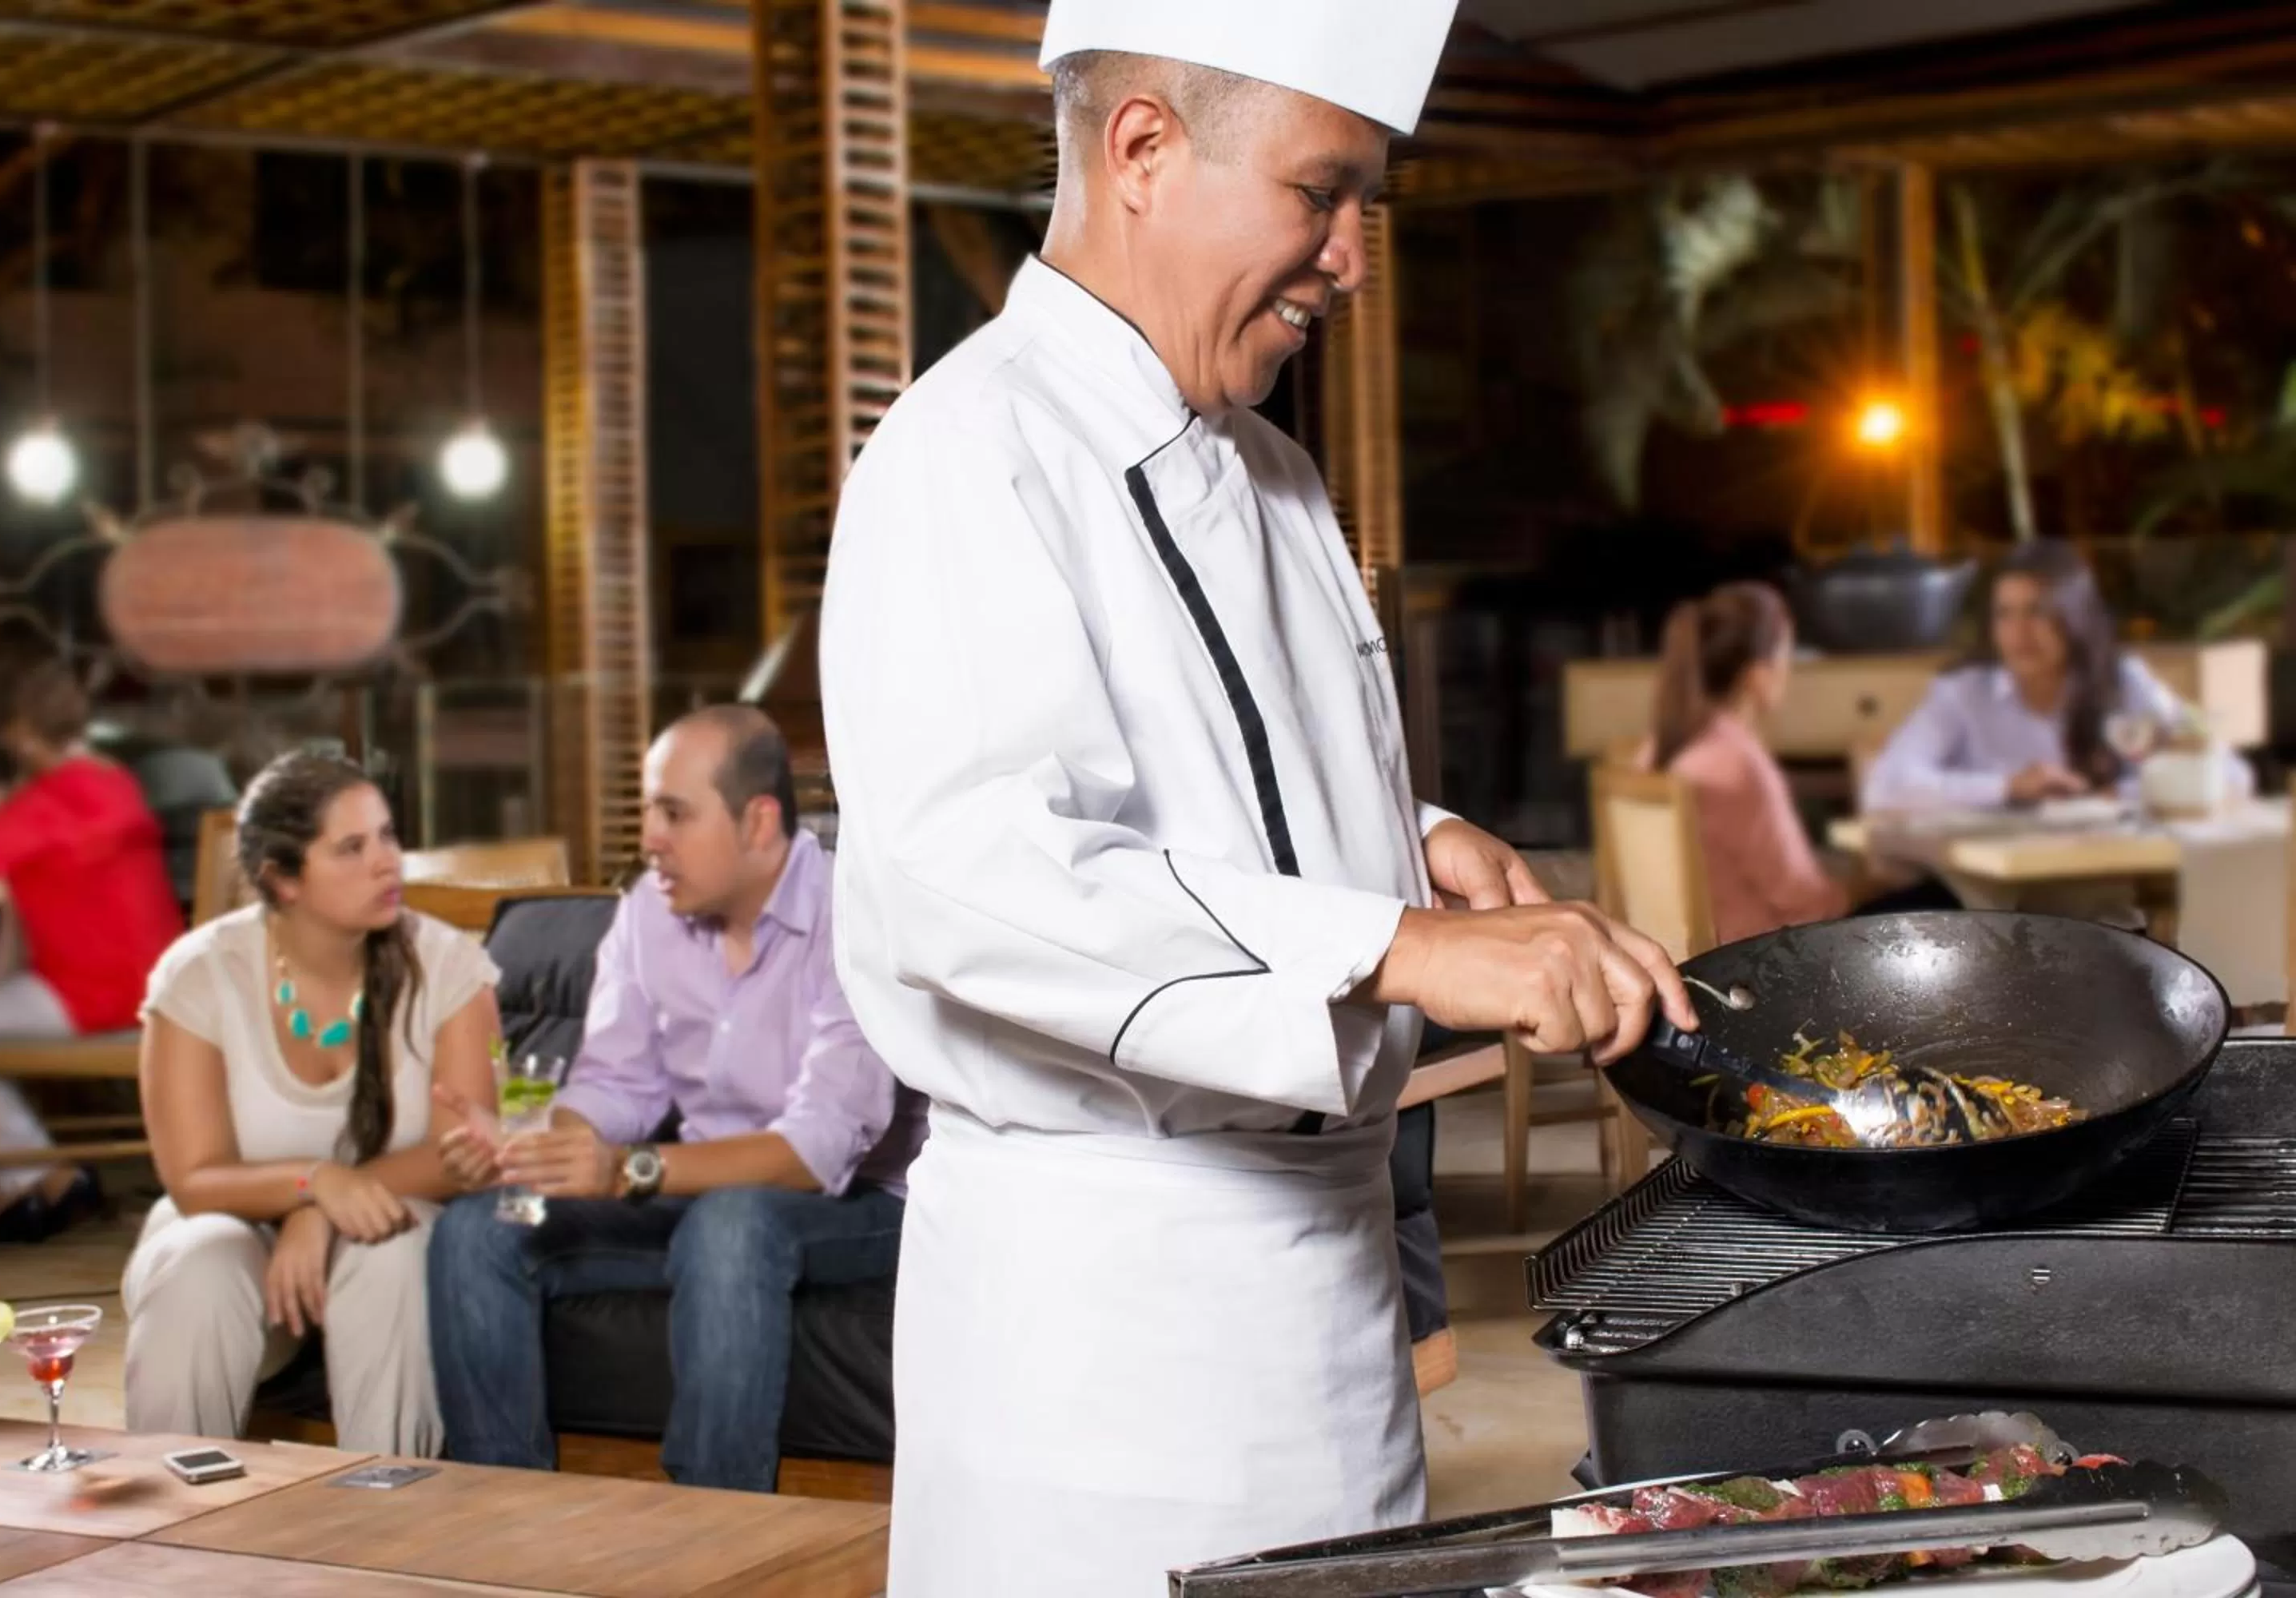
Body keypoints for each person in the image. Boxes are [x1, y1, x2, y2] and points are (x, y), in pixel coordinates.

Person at [816, 5, 1693, 1591]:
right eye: (1320, 191)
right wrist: (1400, 945)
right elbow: (970, 872)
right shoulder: (967, 449)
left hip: (1334, 1295)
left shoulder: (1271, 468)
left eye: (1368, 202)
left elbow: (1207, 770)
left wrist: (1409, 841)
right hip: (1105, 1343)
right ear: (1143, 149)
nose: (1351, 258)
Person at [428, 707, 920, 1493]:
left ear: (759, 822)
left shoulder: (851, 917)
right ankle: (502, 1513)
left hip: (856, 1206)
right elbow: (617, 1082)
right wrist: (545, 1141)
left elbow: (820, 1145)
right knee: (482, 1224)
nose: (650, 835)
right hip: (681, 1189)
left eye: (675, 813)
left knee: (734, 1219)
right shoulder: (649, 911)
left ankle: (715, 1526)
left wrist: (627, 1168)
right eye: (650, 809)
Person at [121, 751, 499, 1456]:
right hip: (230, 1227)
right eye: (352, 848)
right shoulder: (201, 973)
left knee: (390, 1250)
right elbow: (194, 1179)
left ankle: (385, 1517)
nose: (388, 863)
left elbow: (456, 1157)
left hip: (387, 1226)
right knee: (199, 1261)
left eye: (388, 837)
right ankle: (168, 1516)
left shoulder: (448, 966)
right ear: (280, 878)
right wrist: (314, 1182)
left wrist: (326, 1209)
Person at [0, 661, 184, 1241]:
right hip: (150, 985)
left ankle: (41, 1177)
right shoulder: (115, 783)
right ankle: (38, 1179)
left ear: (18, 733)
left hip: (92, 995)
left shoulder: (51, 801)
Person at [1864, 541, 2254, 813]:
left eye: (2038, 612)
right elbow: (1885, 787)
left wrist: (2119, 794)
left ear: (2075, 617)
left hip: (2103, 886)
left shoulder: (2125, 681)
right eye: (2005, 614)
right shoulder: (1963, 693)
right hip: (1983, 899)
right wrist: (2007, 788)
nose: (2020, 631)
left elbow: (2230, 774)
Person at [1648, 583, 1852, 944]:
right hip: (1755, 967)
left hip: (1687, 960)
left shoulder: (1655, 752)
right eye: (1787, 656)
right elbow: (1807, 906)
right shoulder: (1738, 764)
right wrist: (1870, 884)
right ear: (1758, 674)